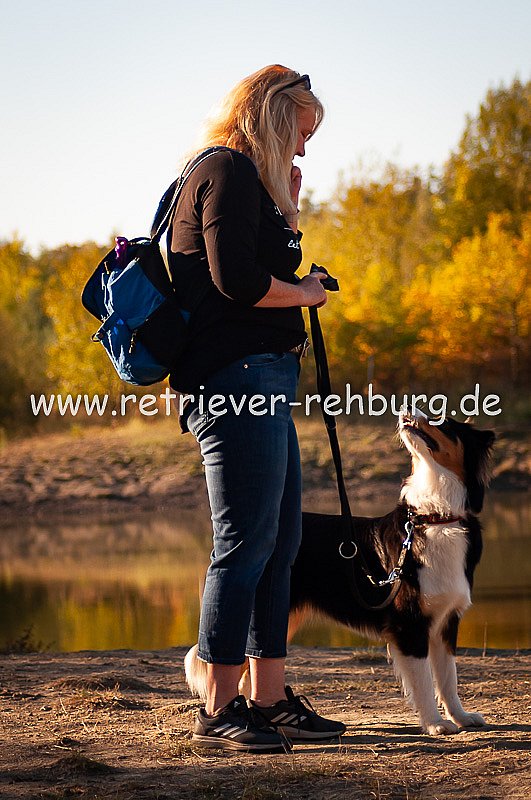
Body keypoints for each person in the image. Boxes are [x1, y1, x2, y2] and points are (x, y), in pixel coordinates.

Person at [167, 65, 346, 752]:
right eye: (300, 133)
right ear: (271, 119)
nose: (302, 149)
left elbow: (262, 263)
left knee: (280, 543)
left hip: (262, 377)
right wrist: (305, 295)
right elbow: (237, 282)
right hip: (234, 379)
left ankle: (268, 699)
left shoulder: (252, 185)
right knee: (244, 542)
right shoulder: (225, 171)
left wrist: (291, 210)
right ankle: (218, 709)